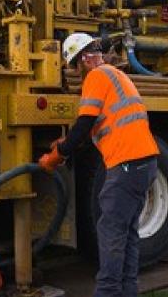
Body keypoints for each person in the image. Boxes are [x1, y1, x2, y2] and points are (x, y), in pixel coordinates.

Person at [38, 33, 159, 297]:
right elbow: (98, 126)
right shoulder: (117, 75)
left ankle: (107, 292)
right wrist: (67, 142)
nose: (76, 73)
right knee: (127, 233)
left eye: (74, 66)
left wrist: (57, 155)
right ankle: (127, 292)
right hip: (144, 162)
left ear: (83, 59)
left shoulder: (95, 76)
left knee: (111, 232)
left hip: (126, 164)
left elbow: (83, 125)